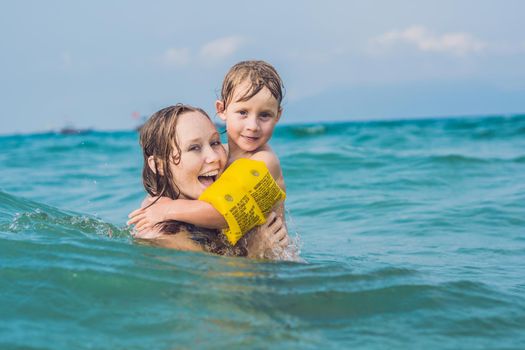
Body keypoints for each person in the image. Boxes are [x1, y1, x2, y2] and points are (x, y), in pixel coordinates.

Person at [128, 60, 289, 254]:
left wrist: (167, 209)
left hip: (275, 261)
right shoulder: (221, 154)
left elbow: (223, 211)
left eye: (265, 115)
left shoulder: (263, 160)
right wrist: (155, 205)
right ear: (221, 110)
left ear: (278, 116)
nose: (253, 126)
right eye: (243, 112)